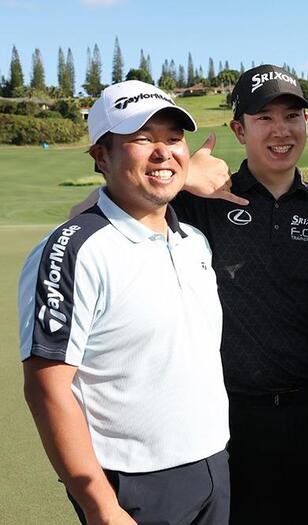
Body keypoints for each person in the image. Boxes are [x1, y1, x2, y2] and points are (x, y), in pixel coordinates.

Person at [69, 65, 308, 524]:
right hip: (228, 423)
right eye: (264, 118)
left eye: (292, 115)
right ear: (239, 129)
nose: (281, 130)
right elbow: (81, 222)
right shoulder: (199, 201)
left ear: (306, 123)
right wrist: (182, 177)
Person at [19, 80, 230, 525]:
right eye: (142, 139)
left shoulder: (194, 241)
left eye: (173, 139)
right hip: (131, 484)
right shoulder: (74, 250)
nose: (164, 151)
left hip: (212, 466)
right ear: (101, 155)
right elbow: (47, 386)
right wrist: (102, 508)